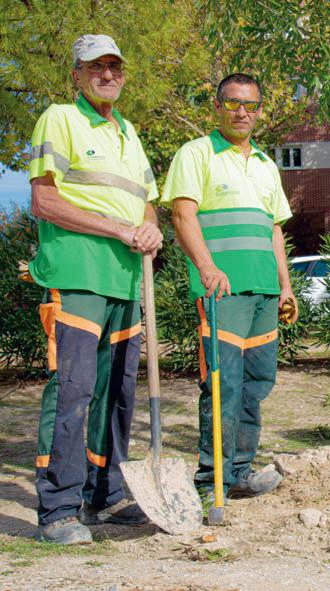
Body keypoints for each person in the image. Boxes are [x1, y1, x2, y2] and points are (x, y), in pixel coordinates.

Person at [29, 34, 162, 544]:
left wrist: (149, 229)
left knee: (117, 394)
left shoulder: (129, 132)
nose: (108, 75)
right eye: (95, 67)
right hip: (78, 275)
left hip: (126, 280)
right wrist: (119, 229)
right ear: (77, 75)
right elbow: (45, 201)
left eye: (115, 66)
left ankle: (106, 494)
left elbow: (146, 204)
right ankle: (59, 508)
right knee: (74, 390)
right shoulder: (60, 118)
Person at [162, 73, 295, 503]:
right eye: (234, 103)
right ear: (218, 106)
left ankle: (239, 471)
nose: (242, 112)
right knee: (223, 385)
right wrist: (207, 268)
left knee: (256, 384)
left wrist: (285, 285)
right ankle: (211, 480)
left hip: (264, 292)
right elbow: (182, 216)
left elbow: (274, 229)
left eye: (250, 105)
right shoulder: (196, 153)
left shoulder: (267, 164)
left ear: (259, 111)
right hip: (222, 292)